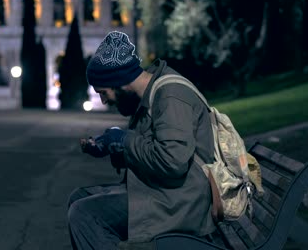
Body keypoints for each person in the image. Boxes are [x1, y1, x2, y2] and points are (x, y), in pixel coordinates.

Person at [67, 31, 216, 250]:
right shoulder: (150, 96)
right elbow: (150, 150)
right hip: (164, 191)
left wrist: (124, 140)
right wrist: (112, 147)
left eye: (103, 92)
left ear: (119, 82)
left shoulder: (170, 96)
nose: (104, 100)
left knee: (84, 214)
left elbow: (172, 161)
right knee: (78, 197)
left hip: (182, 202)